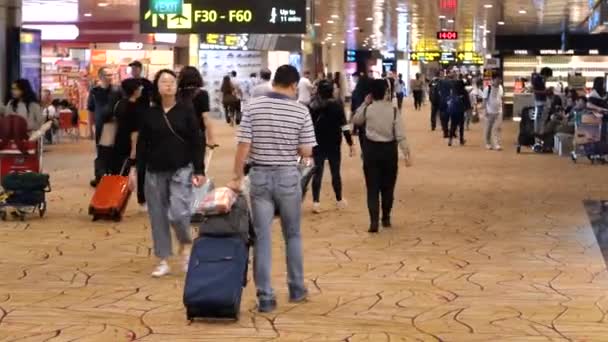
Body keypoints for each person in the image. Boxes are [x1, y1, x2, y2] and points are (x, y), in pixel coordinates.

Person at [227, 65, 316, 313]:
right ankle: (297, 289)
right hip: (288, 177)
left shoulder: (254, 106)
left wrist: (236, 176)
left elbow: (243, 146)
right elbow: (306, 152)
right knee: (293, 235)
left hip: (260, 177)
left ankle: (266, 297)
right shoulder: (301, 111)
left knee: (262, 238)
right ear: (293, 86)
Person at [133, 69, 206, 278]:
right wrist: (138, 170)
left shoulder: (185, 110)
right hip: (154, 171)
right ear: (157, 86)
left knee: (178, 212)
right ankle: (163, 259)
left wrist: (199, 169)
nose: (168, 85)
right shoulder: (150, 113)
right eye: (164, 81)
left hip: (181, 169)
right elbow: (143, 145)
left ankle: (185, 244)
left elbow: (196, 141)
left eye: (172, 81)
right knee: (158, 216)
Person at [353, 79, 411, 233]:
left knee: (372, 187)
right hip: (389, 151)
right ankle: (385, 217)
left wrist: (365, 103)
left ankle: (373, 222)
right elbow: (400, 134)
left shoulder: (368, 109)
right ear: (386, 92)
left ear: (371, 94)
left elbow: (356, 120)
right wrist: (406, 153)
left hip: (371, 151)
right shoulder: (393, 111)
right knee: (388, 187)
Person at [309, 80, 354, 214]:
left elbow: (308, 126)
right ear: (331, 91)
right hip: (334, 142)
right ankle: (339, 200)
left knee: (318, 173)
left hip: (317, 142)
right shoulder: (338, 105)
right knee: (336, 172)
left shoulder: (313, 105)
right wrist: (350, 142)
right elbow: (344, 125)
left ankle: (316, 203)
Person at [88, 67, 121, 187]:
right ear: (100, 76)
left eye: (111, 75)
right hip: (100, 125)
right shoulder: (95, 91)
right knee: (101, 152)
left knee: (110, 152)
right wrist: (90, 127)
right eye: (107, 75)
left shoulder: (118, 91)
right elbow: (91, 110)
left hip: (111, 125)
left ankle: (109, 176)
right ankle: (100, 177)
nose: (110, 77)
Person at [178, 66, 215, 146]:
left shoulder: (176, 94)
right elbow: (206, 117)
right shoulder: (202, 94)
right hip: (197, 134)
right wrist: (211, 138)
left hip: (178, 134)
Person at [113, 78, 142, 175]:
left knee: (119, 171)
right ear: (134, 90)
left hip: (118, 141)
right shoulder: (135, 108)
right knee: (127, 174)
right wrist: (134, 152)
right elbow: (134, 132)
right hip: (128, 144)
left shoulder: (119, 104)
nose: (141, 89)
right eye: (139, 87)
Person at [482, 76, 504, 151]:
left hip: (499, 111)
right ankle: (488, 143)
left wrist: (502, 109)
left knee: (496, 128)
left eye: (499, 79)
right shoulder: (487, 89)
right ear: (493, 80)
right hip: (489, 111)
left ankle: (496, 144)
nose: (498, 81)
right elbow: (484, 101)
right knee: (488, 128)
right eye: (497, 79)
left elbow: (501, 98)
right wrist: (485, 111)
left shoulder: (501, 87)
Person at [447, 80, 471, 147]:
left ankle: (450, 140)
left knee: (453, 125)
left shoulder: (453, 92)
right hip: (460, 111)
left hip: (453, 111)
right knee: (461, 126)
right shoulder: (464, 92)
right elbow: (467, 103)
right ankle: (461, 140)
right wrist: (467, 109)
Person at [532, 67, 553, 134]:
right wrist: (545, 91)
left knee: (542, 118)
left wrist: (546, 90)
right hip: (539, 101)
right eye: (548, 76)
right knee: (539, 118)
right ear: (545, 74)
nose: (547, 78)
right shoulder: (537, 79)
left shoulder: (541, 79)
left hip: (542, 100)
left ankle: (540, 132)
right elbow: (534, 90)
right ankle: (537, 133)